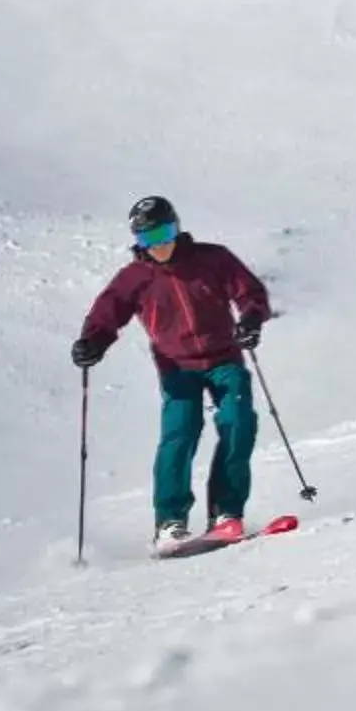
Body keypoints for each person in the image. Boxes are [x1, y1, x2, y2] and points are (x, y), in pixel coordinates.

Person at [72, 196, 273, 552]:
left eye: (165, 233)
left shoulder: (213, 259)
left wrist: (251, 319)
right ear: (139, 242)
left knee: (239, 423)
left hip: (225, 358)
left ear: (177, 228)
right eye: (150, 239)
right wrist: (92, 343)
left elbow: (250, 292)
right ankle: (170, 521)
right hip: (178, 368)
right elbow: (107, 313)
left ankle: (226, 514)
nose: (161, 246)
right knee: (181, 433)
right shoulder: (134, 278)